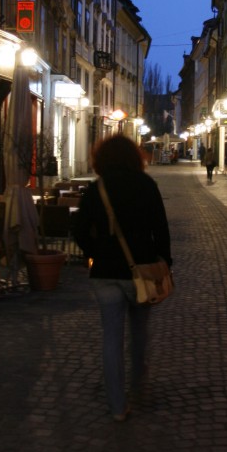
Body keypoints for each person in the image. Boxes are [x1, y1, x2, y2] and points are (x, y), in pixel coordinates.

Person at [72, 134, 172, 423]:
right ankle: (139, 389)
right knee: (139, 334)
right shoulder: (147, 186)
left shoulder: (96, 189)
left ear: (100, 159)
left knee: (111, 340)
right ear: (134, 157)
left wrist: (96, 252)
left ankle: (117, 406)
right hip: (141, 272)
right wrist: (165, 261)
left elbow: (78, 231)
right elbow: (161, 229)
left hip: (105, 274)